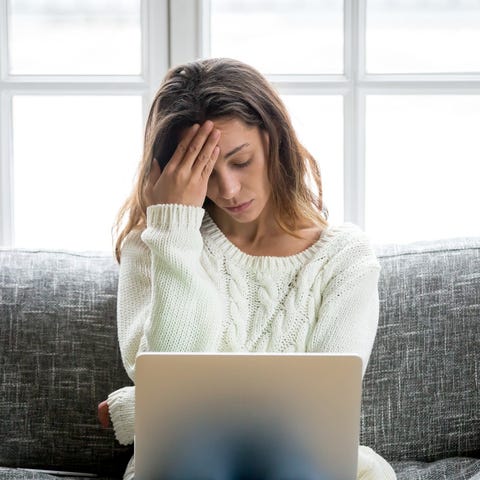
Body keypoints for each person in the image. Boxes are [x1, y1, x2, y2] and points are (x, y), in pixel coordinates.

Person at [97, 57, 396, 480]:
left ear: (275, 139)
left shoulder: (345, 258)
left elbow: (319, 415)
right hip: (185, 466)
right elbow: (169, 374)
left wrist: (138, 408)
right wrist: (175, 230)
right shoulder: (157, 244)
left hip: (302, 465)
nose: (228, 189)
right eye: (204, 173)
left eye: (240, 161)